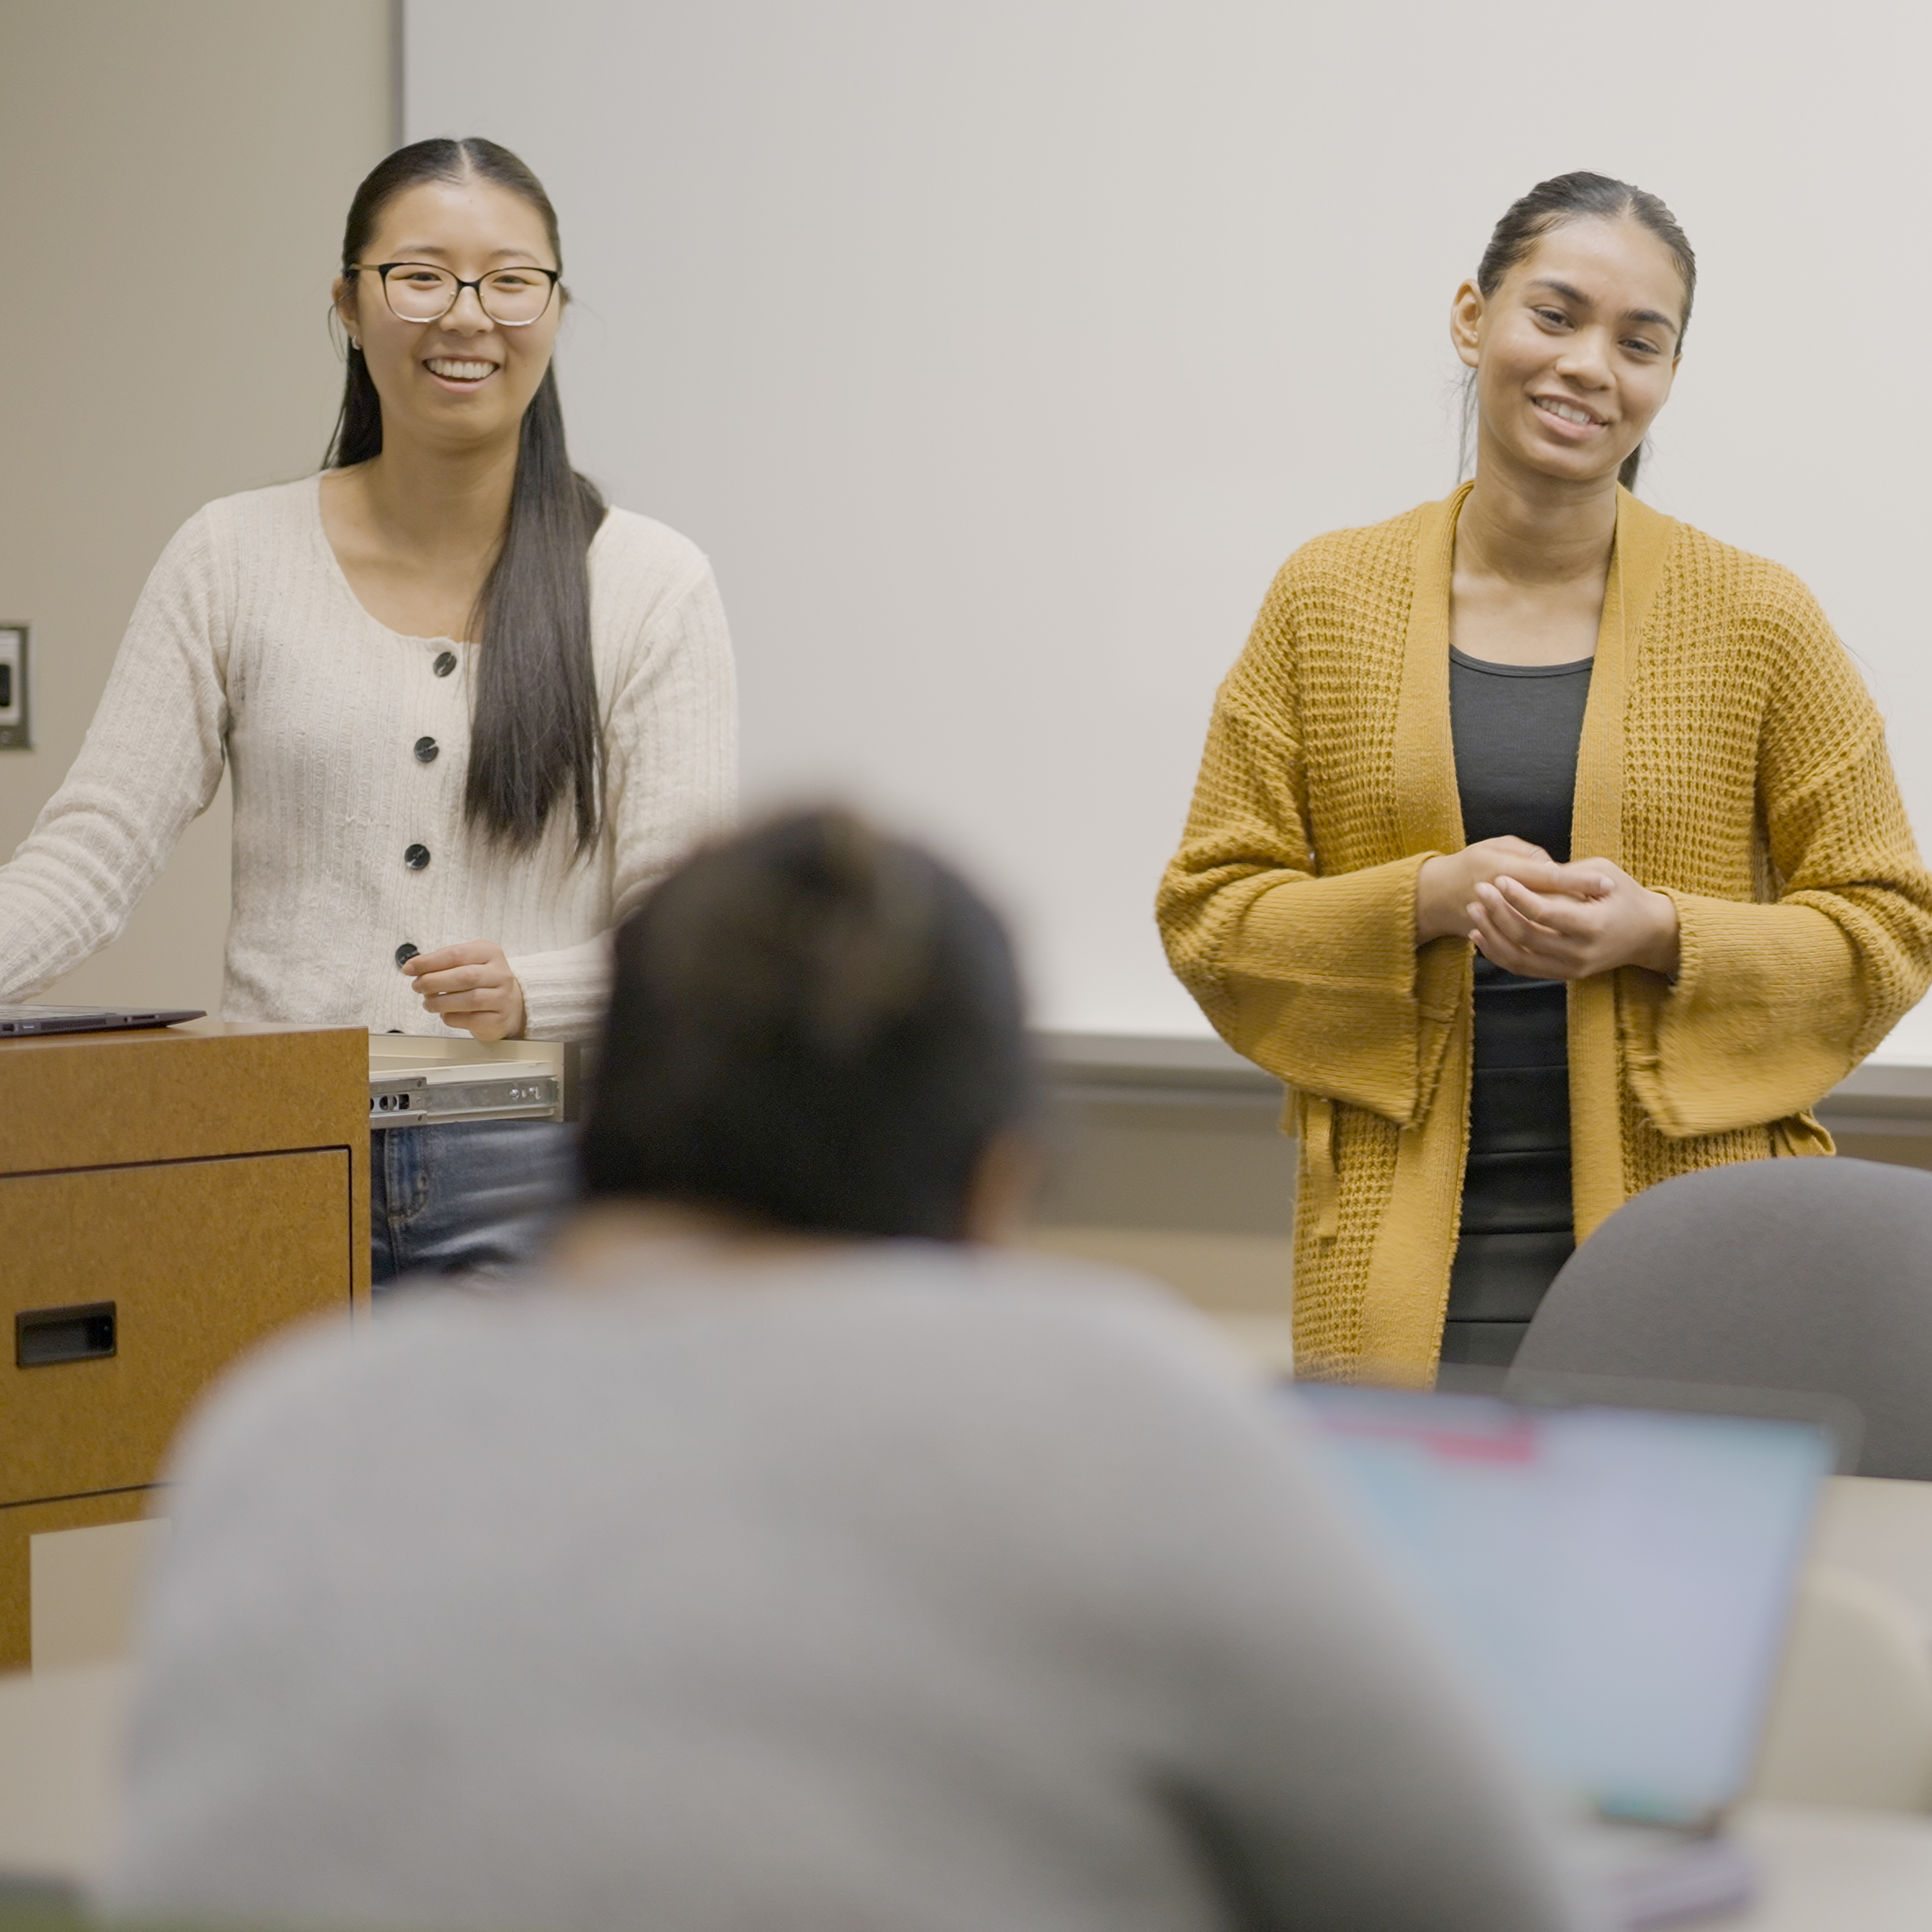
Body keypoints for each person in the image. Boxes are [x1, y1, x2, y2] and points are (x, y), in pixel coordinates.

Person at [99, 809, 1580, 1932]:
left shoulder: (288, 1429)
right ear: (1001, 1185)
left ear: (603, 1117)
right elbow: (1487, 1902)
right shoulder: (1117, 1410)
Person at [1158, 172, 1932, 1381]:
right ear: (1474, 319)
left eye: (1640, 341)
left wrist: (1662, 932)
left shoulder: (1761, 619)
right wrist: (1425, 898)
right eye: (1555, 315)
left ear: (1669, 376)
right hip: (1398, 1257)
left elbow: (1890, 927)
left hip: (1695, 1256)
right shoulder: (1326, 600)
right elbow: (1211, 913)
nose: (1589, 366)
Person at [0, 137, 735, 1284]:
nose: (467, 316)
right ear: (348, 300)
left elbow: (690, 943)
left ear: (554, 305)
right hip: (259, 1143)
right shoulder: (230, 554)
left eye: (510, 280)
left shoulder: (649, 583)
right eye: (421, 275)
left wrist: (527, 991)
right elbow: (93, 851)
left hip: (531, 1165)